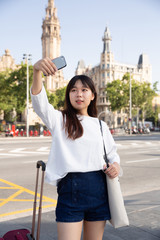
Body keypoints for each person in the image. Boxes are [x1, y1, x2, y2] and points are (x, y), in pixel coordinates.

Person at [31, 57, 121, 240]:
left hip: (99, 189)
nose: (79, 94)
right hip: (70, 190)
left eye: (84, 90)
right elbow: (40, 104)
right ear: (68, 95)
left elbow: (113, 155)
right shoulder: (60, 119)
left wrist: (116, 167)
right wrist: (36, 71)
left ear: (92, 95)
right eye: (73, 90)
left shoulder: (101, 125)